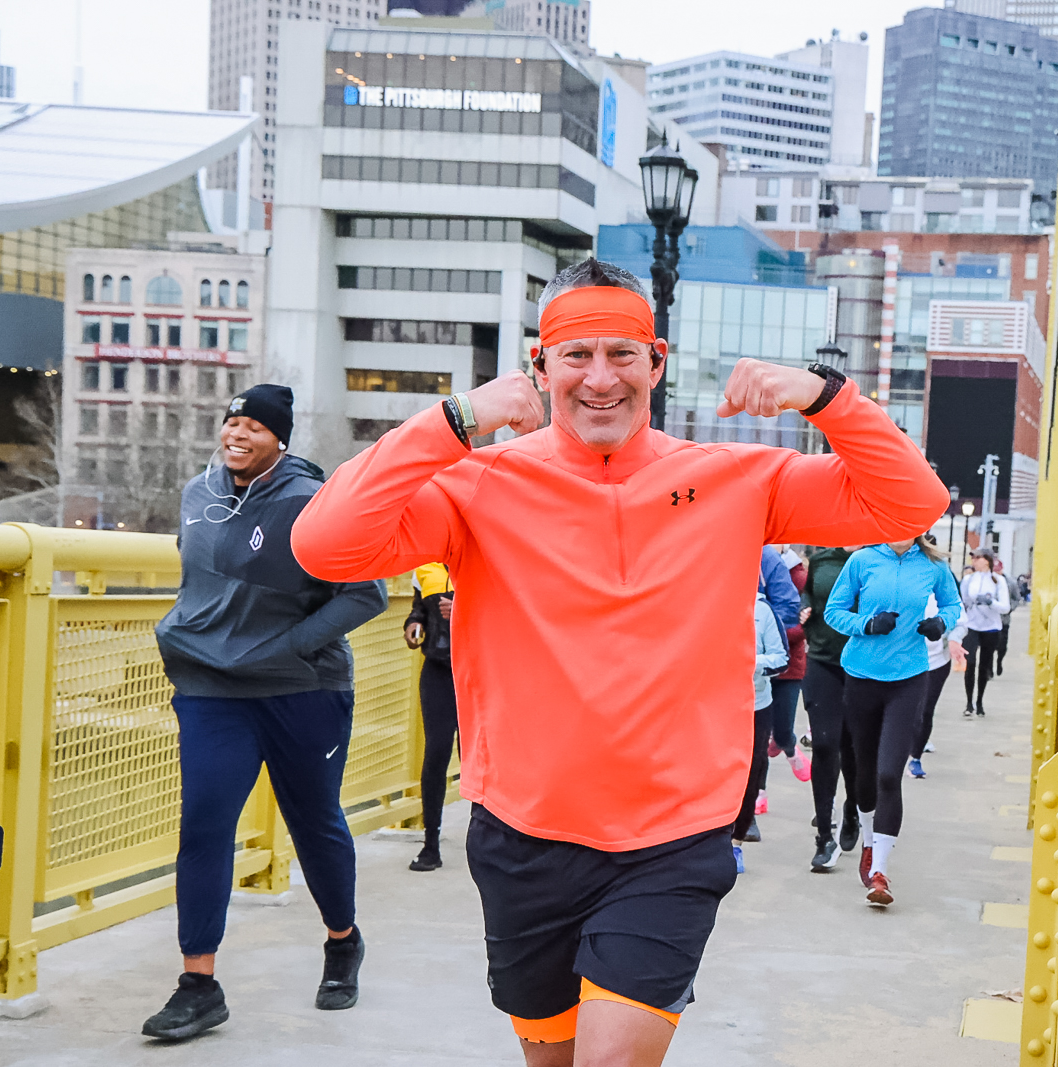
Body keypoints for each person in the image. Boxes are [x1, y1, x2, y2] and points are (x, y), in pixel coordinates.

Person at [289, 257, 948, 1066]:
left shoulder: (735, 479)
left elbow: (911, 503)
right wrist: (454, 419)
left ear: (656, 361)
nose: (600, 379)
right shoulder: (477, 484)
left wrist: (823, 396)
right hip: (523, 834)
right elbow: (322, 544)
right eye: (576, 355)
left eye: (621, 354)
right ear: (540, 367)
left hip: (671, 838)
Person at [145, 385, 389, 1041]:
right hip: (212, 689)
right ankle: (198, 983)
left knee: (313, 822)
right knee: (203, 825)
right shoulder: (198, 495)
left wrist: (286, 644)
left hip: (300, 689)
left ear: (279, 438)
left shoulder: (313, 501)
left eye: (253, 424)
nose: (238, 433)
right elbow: (202, 577)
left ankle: (342, 940)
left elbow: (367, 594)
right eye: (232, 421)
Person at [825, 538, 960, 907]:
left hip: (910, 677)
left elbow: (953, 604)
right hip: (862, 675)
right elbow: (833, 611)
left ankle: (880, 873)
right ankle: (869, 841)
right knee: (864, 775)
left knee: (889, 774)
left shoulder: (933, 565)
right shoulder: (863, 560)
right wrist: (867, 624)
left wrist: (940, 624)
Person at [799, 543, 862, 873]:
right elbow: (808, 592)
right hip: (821, 660)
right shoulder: (822, 559)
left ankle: (853, 807)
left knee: (851, 747)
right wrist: (805, 608)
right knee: (824, 743)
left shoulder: (876, 559)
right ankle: (825, 836)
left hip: (862, 665)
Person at [404, 561, 459, 872]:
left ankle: (491, 840)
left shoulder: (485, 555)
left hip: (477, 670)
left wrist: (463, 607)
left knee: (477, 756)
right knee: (436, 753)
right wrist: (414, 624)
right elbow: (418, 609)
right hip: (437, 670)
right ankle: (430, 845)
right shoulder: (424, 567)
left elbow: (509, 607)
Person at [732, 592, 789, 874]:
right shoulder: (705, 600)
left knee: (750, 772)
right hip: (712, 704)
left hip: (756, 704)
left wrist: (749, 662)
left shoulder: (762, 609)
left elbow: (781, 659)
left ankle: (735, 842)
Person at [751, 545, 808, 826]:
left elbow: (801, 623)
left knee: (782, 731)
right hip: (754, 672)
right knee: (757, 742)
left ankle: (789, 746)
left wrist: (767, 633)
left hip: (786, 665)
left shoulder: (798, 574)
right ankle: (759, 794)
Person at [909, 536, 967, 780]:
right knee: (903, 710)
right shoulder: (892, 578)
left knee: (924, 711)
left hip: (935, 660)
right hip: (899, 658)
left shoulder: (941, 575)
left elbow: (959, 614)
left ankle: (915, 757)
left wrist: (954, 639)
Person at [959, 549, 1010, 717]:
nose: (974, 560)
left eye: (978, 558)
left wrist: (990, 602)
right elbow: (963, 602)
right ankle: (968, 702)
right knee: (970, 663)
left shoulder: (998, 581)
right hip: (972, 625)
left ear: (987, 561)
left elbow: (1005, 607)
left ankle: (979, 701)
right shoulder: (968, 579)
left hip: (991, 627)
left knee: (984, 666)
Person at [992, 557, 1019, 678]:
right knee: (990, 645)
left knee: (1002, 645)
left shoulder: (1010, 582)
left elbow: (1016, 598)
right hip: (991, 619)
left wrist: (1009, 608)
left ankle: (999, 662)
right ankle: (988, 668)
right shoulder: (988, 581)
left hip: (1004, 619)